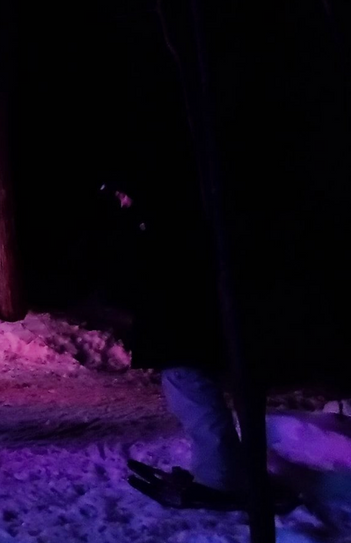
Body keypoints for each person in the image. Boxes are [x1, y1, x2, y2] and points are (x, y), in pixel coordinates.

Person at [96, 180, 246, 502]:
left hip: (182, 330)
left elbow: (151, 272)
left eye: (124, 193)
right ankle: (220, 471)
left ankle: (220, 480)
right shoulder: (160, 226)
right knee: (188, 396)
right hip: (179, 329)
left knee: (196, 400)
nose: (121, 200)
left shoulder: (164, 228)